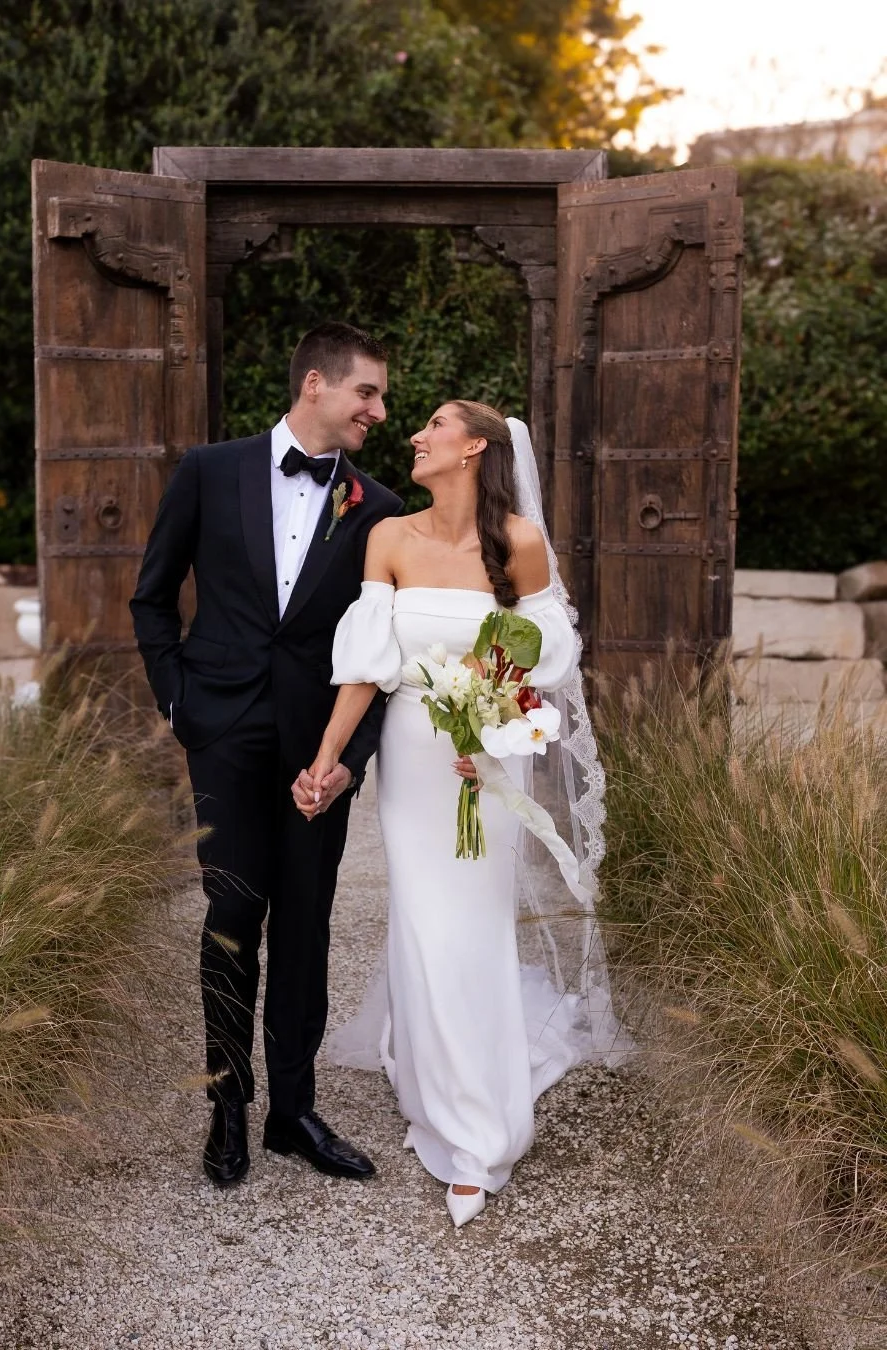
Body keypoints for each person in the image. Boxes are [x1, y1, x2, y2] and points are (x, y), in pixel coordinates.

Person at [293, 400, 625, 1228]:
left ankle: (480, 1133)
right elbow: (366, 665)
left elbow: (549, 649)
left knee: (471, 927)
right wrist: (326, 760)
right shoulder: (390, 538)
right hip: (413, 752)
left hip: (488, 748)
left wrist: (490, 713)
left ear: (474, 445)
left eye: (435, 425)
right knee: (420, 923)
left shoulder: (519, 541)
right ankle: (434, 1092)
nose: (416, 434)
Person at [130, 322, 402, 1188]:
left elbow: (383, 653)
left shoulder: (382, 511)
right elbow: (151, 597)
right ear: (315, 383)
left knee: (307, 927)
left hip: (316, 755)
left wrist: (350, 756)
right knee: (230, 920)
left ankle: (293, 1111)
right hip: (223, 734)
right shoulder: (210, 472)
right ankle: (226, 1105)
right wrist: (180, 703)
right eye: (367, 393)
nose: (379, 412)